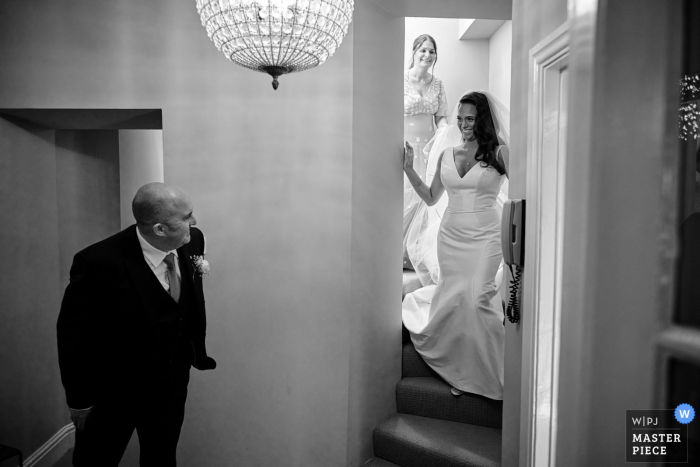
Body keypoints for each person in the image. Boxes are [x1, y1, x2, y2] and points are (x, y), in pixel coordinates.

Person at [57, 182, 217, 466]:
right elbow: (73, 335)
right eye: (185, 216)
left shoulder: (193, 240)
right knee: (96, 460)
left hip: (171, 383)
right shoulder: (98, 262)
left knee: (162, 456)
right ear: (159, 229)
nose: (193, 221)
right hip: (113, 391)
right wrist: (80, 399)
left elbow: (188, 302)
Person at [402, 91, 509, 400]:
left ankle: (500, 375)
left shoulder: (501, 153)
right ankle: (462, 370)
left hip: (487, 235)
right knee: (457, 297)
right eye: (459, 119)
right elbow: (432, 197)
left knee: (477, 299)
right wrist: (409, 168)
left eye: (470, 119)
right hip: (451, 236)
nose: (463, 125)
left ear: (483, 120)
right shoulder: (447, 154)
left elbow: (524, 193)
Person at [403, 34, 448, 269]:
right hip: (405, 145)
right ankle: (397, 251)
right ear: (414, 52)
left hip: (430, 149)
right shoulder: (400, 79)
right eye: (423, 50)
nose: (427, 55)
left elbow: (441, 119)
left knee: (426, 197)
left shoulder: (438, 84)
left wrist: (443, 135)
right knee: (406, 196)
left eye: (432, 51)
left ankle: (414, 257)